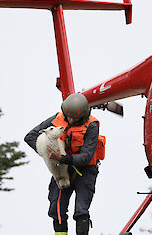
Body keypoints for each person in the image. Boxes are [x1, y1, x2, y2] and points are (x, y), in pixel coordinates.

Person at [24, 93, 102, 235]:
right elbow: (30, 137)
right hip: (61, 170)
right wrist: (48, 155)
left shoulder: (92, 126)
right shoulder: (57, 118)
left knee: (81, 211)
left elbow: (85, 157)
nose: (71, 120)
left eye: (75, 118)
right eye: (69, 116)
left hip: (85, 170)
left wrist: (61, 158)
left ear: (83, 116)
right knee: (56, 209)